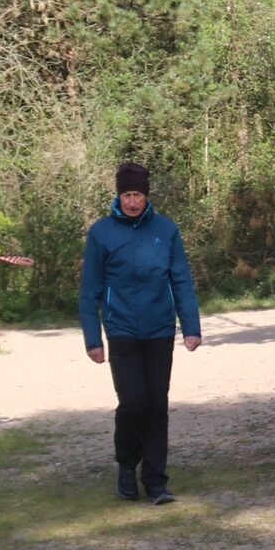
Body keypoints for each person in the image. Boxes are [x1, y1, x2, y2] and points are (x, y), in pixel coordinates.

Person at [80, 161, 202, 503]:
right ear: (118, 196)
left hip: (159, 328)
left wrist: (191, 327)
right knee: (133, 402)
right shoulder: (101, 233)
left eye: (138, 195)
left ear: (147, 196)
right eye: (127, 195)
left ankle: (156, 480)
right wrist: (93, 339)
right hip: (121, 330)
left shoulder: (166, 230)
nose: (132, 201)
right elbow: (89, 291)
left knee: (157, 405)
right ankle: (126, 465)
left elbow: (181, 280)